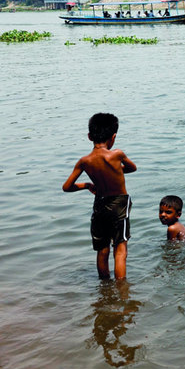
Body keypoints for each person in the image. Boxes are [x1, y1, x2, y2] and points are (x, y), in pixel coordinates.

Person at [62, 113, 137, 280]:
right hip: (119, 204)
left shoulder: (84, 161)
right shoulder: (117, 155)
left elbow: (67, 187)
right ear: (113, 137)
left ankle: (104, 286)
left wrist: (87, 185)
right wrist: (116, 170)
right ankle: (121, 288)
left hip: (99, 204)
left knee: (102, 249)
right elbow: (132, 168)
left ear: (89, 136)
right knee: (120, 249)